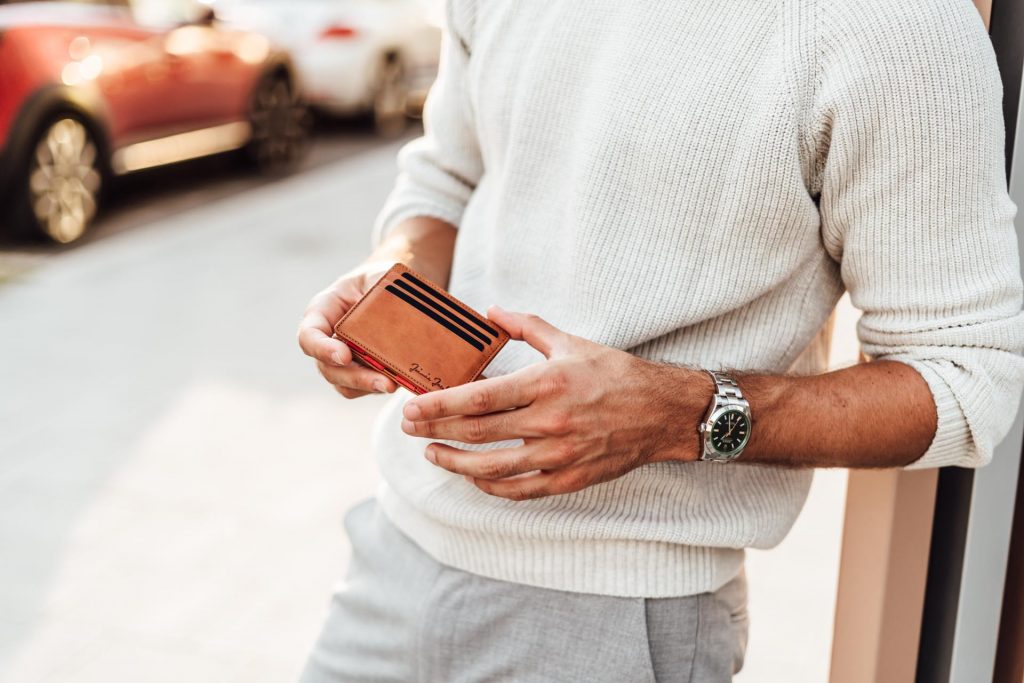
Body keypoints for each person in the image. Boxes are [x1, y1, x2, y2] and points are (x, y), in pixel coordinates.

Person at [296, 0, 1024, 680]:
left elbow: (966, 378)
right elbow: (447, 175)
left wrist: (680, 413)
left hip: (620, 622)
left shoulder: (896, 27)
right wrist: (388, 277)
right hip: (392, 555)